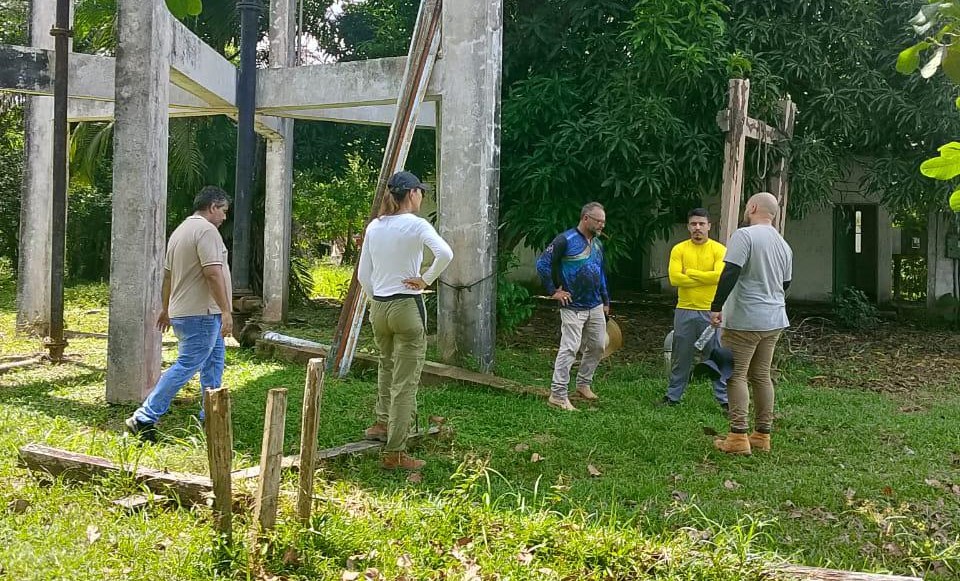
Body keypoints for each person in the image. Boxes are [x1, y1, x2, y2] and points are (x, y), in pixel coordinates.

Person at [358, 170, 453, 471]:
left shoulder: (375, 226)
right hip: (406, 307)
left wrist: (378, 296)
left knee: (386, 366)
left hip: (379, 308)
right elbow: (445, 254)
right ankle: (395, 452)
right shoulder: (416, 225)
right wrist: (424, 280)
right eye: (420, 192)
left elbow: (363, 275)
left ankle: (381, 423)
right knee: (405, 381)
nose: (422, 196)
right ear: (412, 194)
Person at [125, 186, 234, 442]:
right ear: (213, 207)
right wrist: (227, 311)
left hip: (190, 312)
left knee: (215, 362)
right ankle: (144, 417)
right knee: (188, 364)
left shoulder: (180, 231)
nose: (225, 217)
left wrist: (166, 308)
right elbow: (213, 273)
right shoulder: (207, 231)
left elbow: (167, 276)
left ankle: (211, 416)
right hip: (202, 314)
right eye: (224, 211)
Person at [709, 192, 793, 455]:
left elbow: (731, 270)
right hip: (774, 318)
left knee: (736, 375)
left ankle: (737, 436)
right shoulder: (783, 244)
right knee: (761, 375)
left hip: (746, 319)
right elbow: (786, 284)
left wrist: (716, 305)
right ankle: (762, 435)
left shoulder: (744, 236)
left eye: (748, 206)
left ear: (753, 207)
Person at [536, 202, 611, 411]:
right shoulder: (565, 240)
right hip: (572, 305)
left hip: (595, 304)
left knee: (598, 346)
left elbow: (600, 272)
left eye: (604, 222)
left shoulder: (597, 244)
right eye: (598, 221)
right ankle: (558, 394)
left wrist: (606, 301)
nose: (602, 226)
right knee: (570, 348)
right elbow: (542, 263)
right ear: (585, 218)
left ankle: (583, 384)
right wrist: (553, 291)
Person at [662, 208, 728, 410]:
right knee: (681, 355)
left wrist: (689, 273)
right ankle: (673, 396)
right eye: (693, 224)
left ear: (709, 226)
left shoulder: (719, 250)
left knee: (716, 355)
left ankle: (724, 400)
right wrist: (704, 276)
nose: (697, 228)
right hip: (684, 309)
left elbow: (719, 276)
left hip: (711, 311)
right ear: (688, 227)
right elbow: (674, 278)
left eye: (701, 224)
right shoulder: (679, 249)